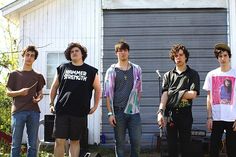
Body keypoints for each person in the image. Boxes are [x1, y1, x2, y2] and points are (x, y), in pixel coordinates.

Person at [49, 42, 101, 157]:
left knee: (75, 141)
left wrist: (95, 106)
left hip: (80, 112)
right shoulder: (63, 68)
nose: (74, 53)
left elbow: (98, 89)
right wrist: (51, 103)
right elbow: (54, 87)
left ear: (82, 54)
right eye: (71, 51)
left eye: (77, 51)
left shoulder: (91, 71)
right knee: (59, 141)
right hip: (62, 110)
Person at [157, 44, 200, 157]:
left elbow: (193, 94)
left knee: (186, 147)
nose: (178, 57)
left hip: (185, 114)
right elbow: (165, 95)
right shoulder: (168, 75)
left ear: (186, 57)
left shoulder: (193, 74)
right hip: (170, 114)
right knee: (172, 147)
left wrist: (173, 92)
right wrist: (160, 112)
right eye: (176, 55)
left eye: (181, 55)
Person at [104, 40, 142, 157]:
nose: (123, 53)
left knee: (136, 142)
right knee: (120, 144)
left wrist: (135, 104)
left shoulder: (136, 69)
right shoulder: (111, 71)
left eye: (125, 50)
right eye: (120, 51)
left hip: (134, 112)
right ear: (116, 53)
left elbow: (139, 90)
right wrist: (110, 113)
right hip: (118, 112)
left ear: (128, 52)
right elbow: (108, 94)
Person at [6, 45, 46, 157]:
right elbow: (8, 92)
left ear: (34, 59)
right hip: (18, 112)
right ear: (23, 56)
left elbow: (40, 93)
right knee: (15, 144)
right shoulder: (14, 74)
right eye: (27, 54)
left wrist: (38, 99)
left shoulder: (38, 76)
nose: (29, 57)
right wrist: (20, 92)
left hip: (34, 112)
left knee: (32, 145)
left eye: (32, 56)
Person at [203, 43, 236, 157]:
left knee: (232, 150)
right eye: (220, 56)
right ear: (217, 58)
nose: (223, 58)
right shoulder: (211, 74)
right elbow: (209, 97)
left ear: (229, 57)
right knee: (213, 150)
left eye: (225, 55)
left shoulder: (235, 74)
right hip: (216, 118)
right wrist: (209, 117)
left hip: (232, 118)